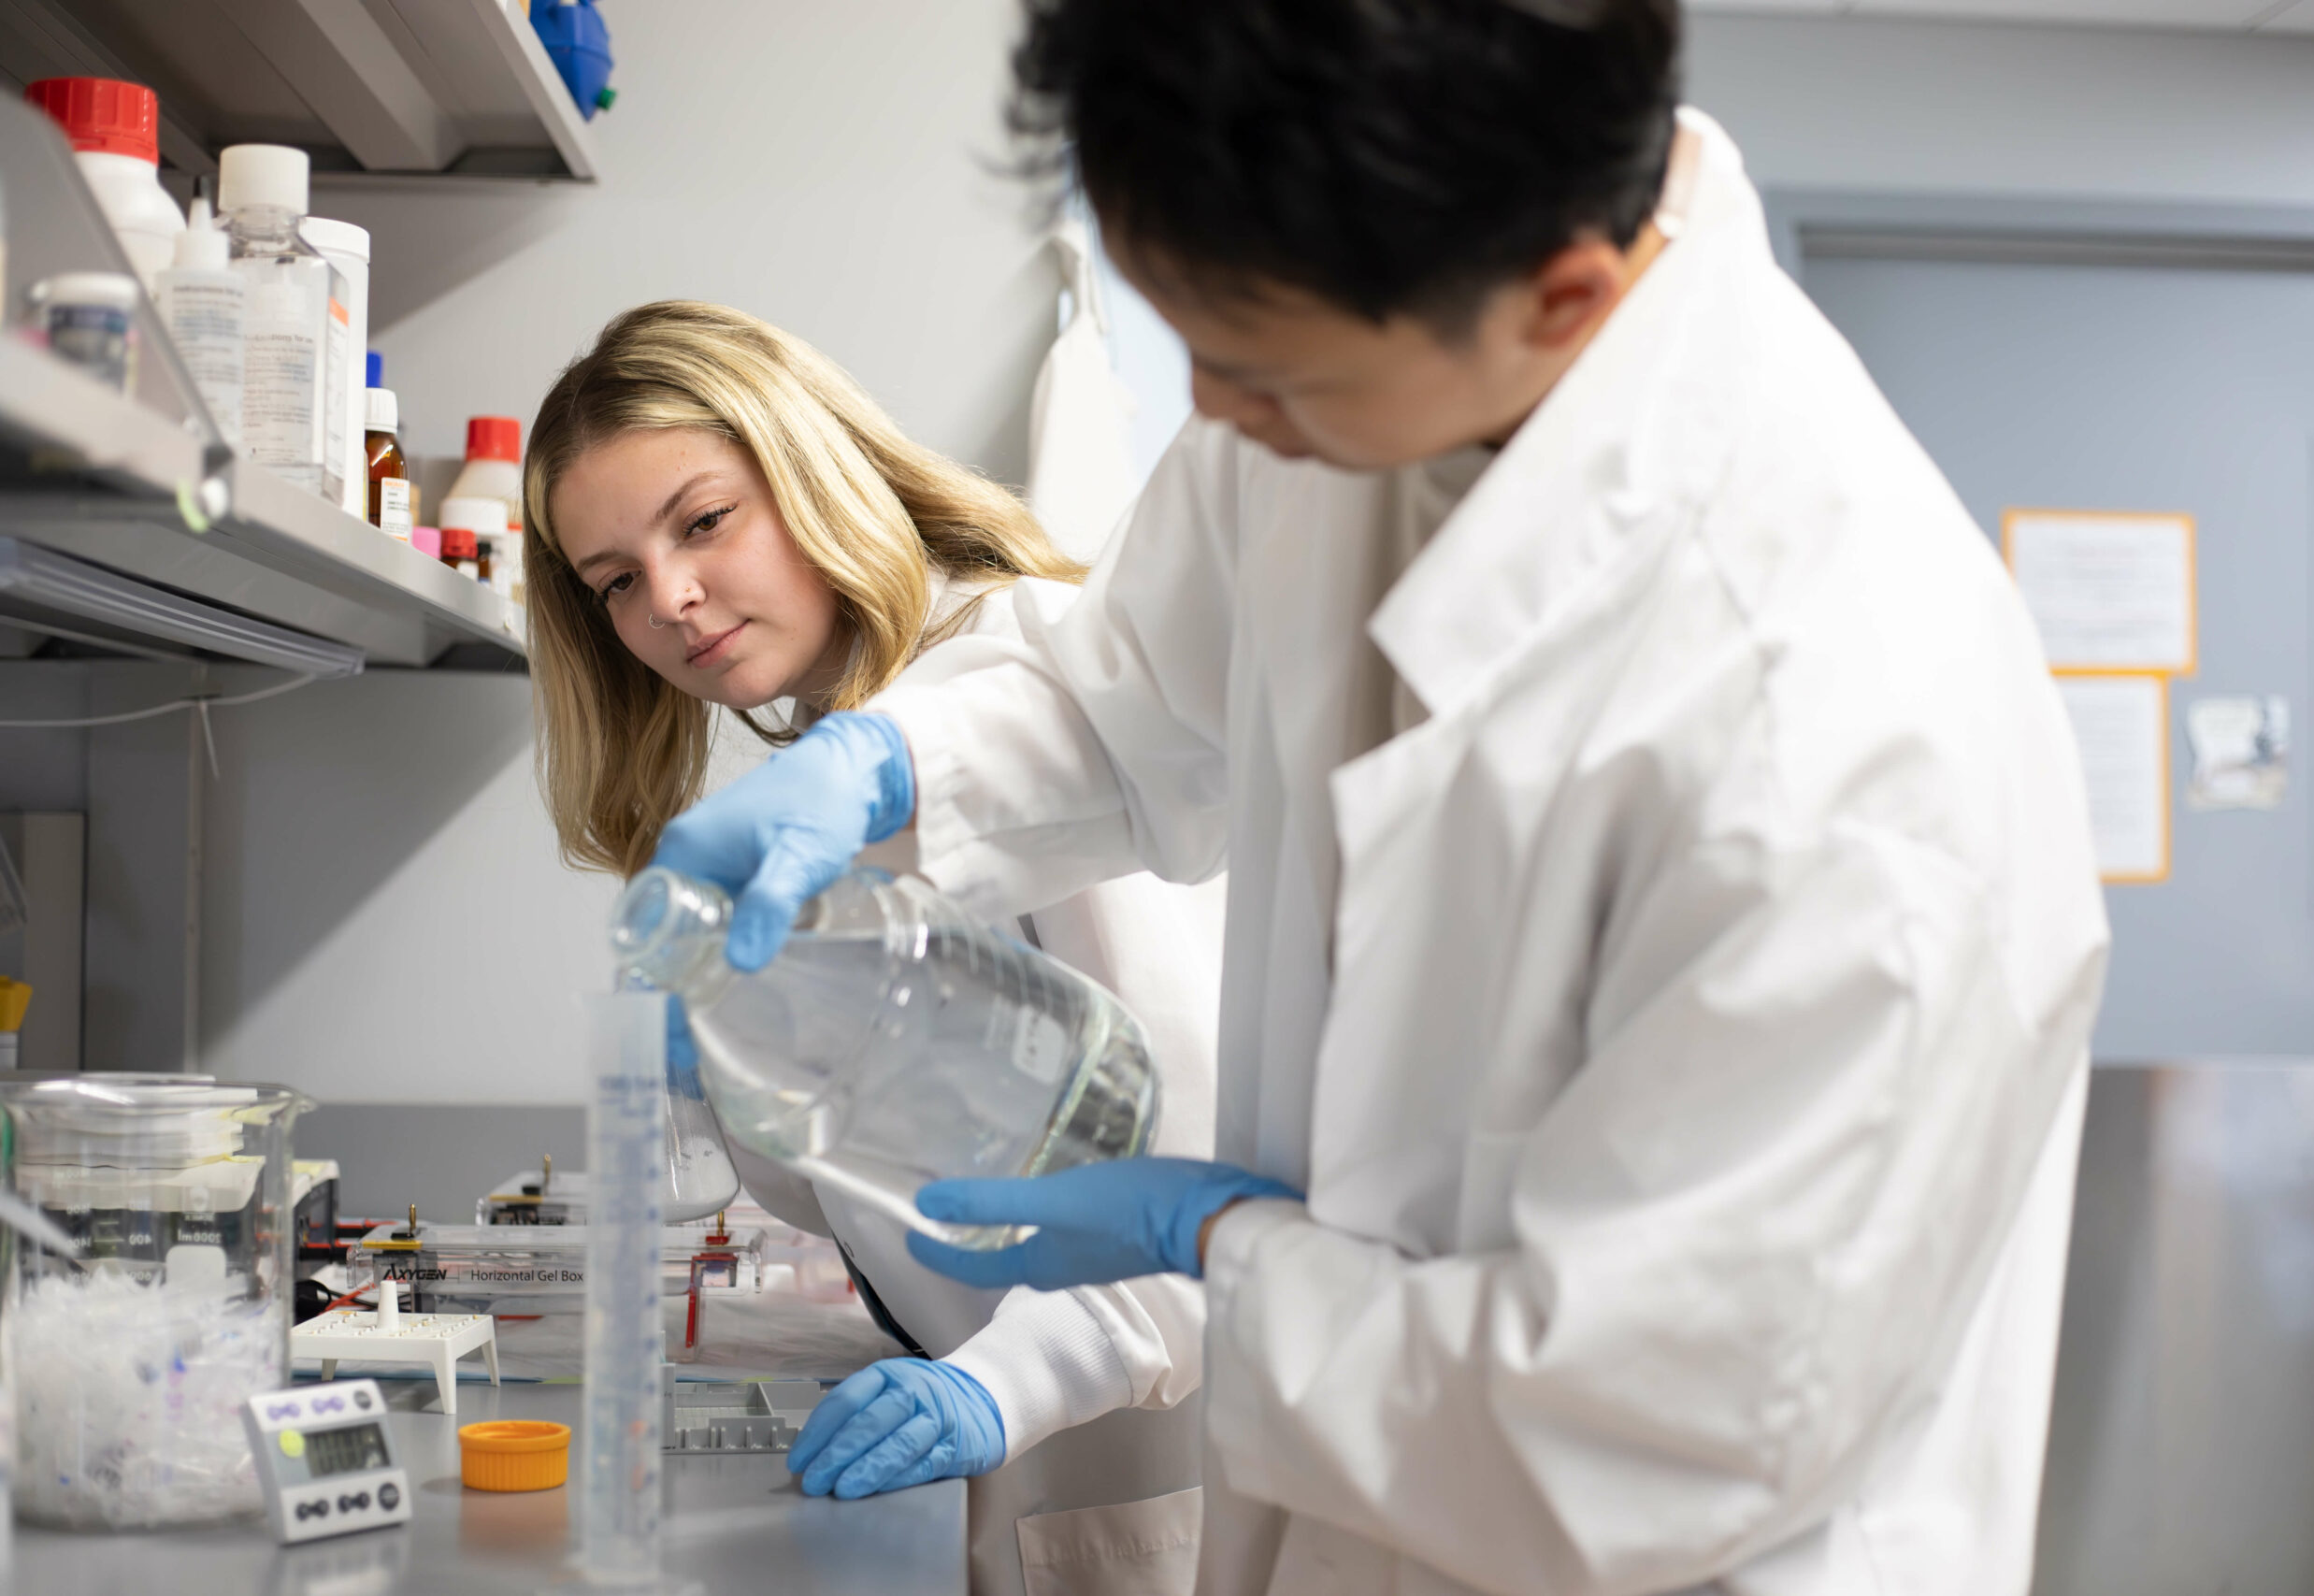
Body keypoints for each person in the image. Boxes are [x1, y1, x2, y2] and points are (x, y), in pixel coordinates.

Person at [654, 2, 2112, 1593]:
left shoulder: (1843, 747)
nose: (1215, 415)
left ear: (1562, 297)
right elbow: (1124, 693)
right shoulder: (1358, 354)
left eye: (1260, 369)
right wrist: (887, 770)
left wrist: (1219, 1254)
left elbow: (1647, 1433)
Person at [521, 300, 1221, 1596]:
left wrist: (1008, 1382)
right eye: (615, 580)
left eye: (704, 521)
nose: (669, 599)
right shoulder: (835, 758)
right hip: (1021, 1462)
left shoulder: (1018, 704)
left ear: (810, 468)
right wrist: (732, 1065)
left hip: (1154, 1476)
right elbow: (847, 1195)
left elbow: (1213, 1172)